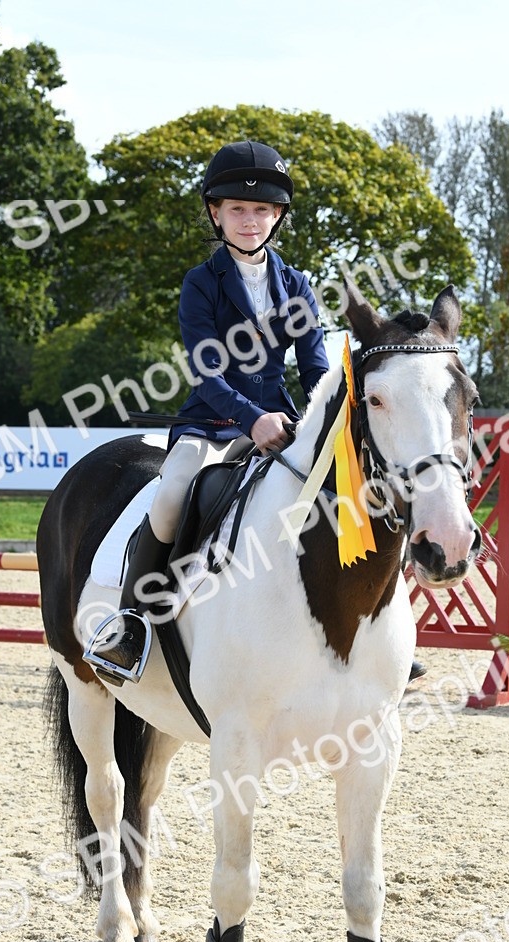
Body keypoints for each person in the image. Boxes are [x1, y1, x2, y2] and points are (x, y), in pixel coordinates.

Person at [89, 139, 330, 683]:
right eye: (238, 210)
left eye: (262, 210)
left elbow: (315, 365)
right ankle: (132, 622)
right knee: (174, 488)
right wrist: (252, 419)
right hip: (215, 420)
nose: (250, 220)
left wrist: (318, 416)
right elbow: (208, 372)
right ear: (216, 214)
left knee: (346, 486)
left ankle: (360, 623)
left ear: (277, 216)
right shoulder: (202, 282)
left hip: (284, 422)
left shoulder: (297, 286)